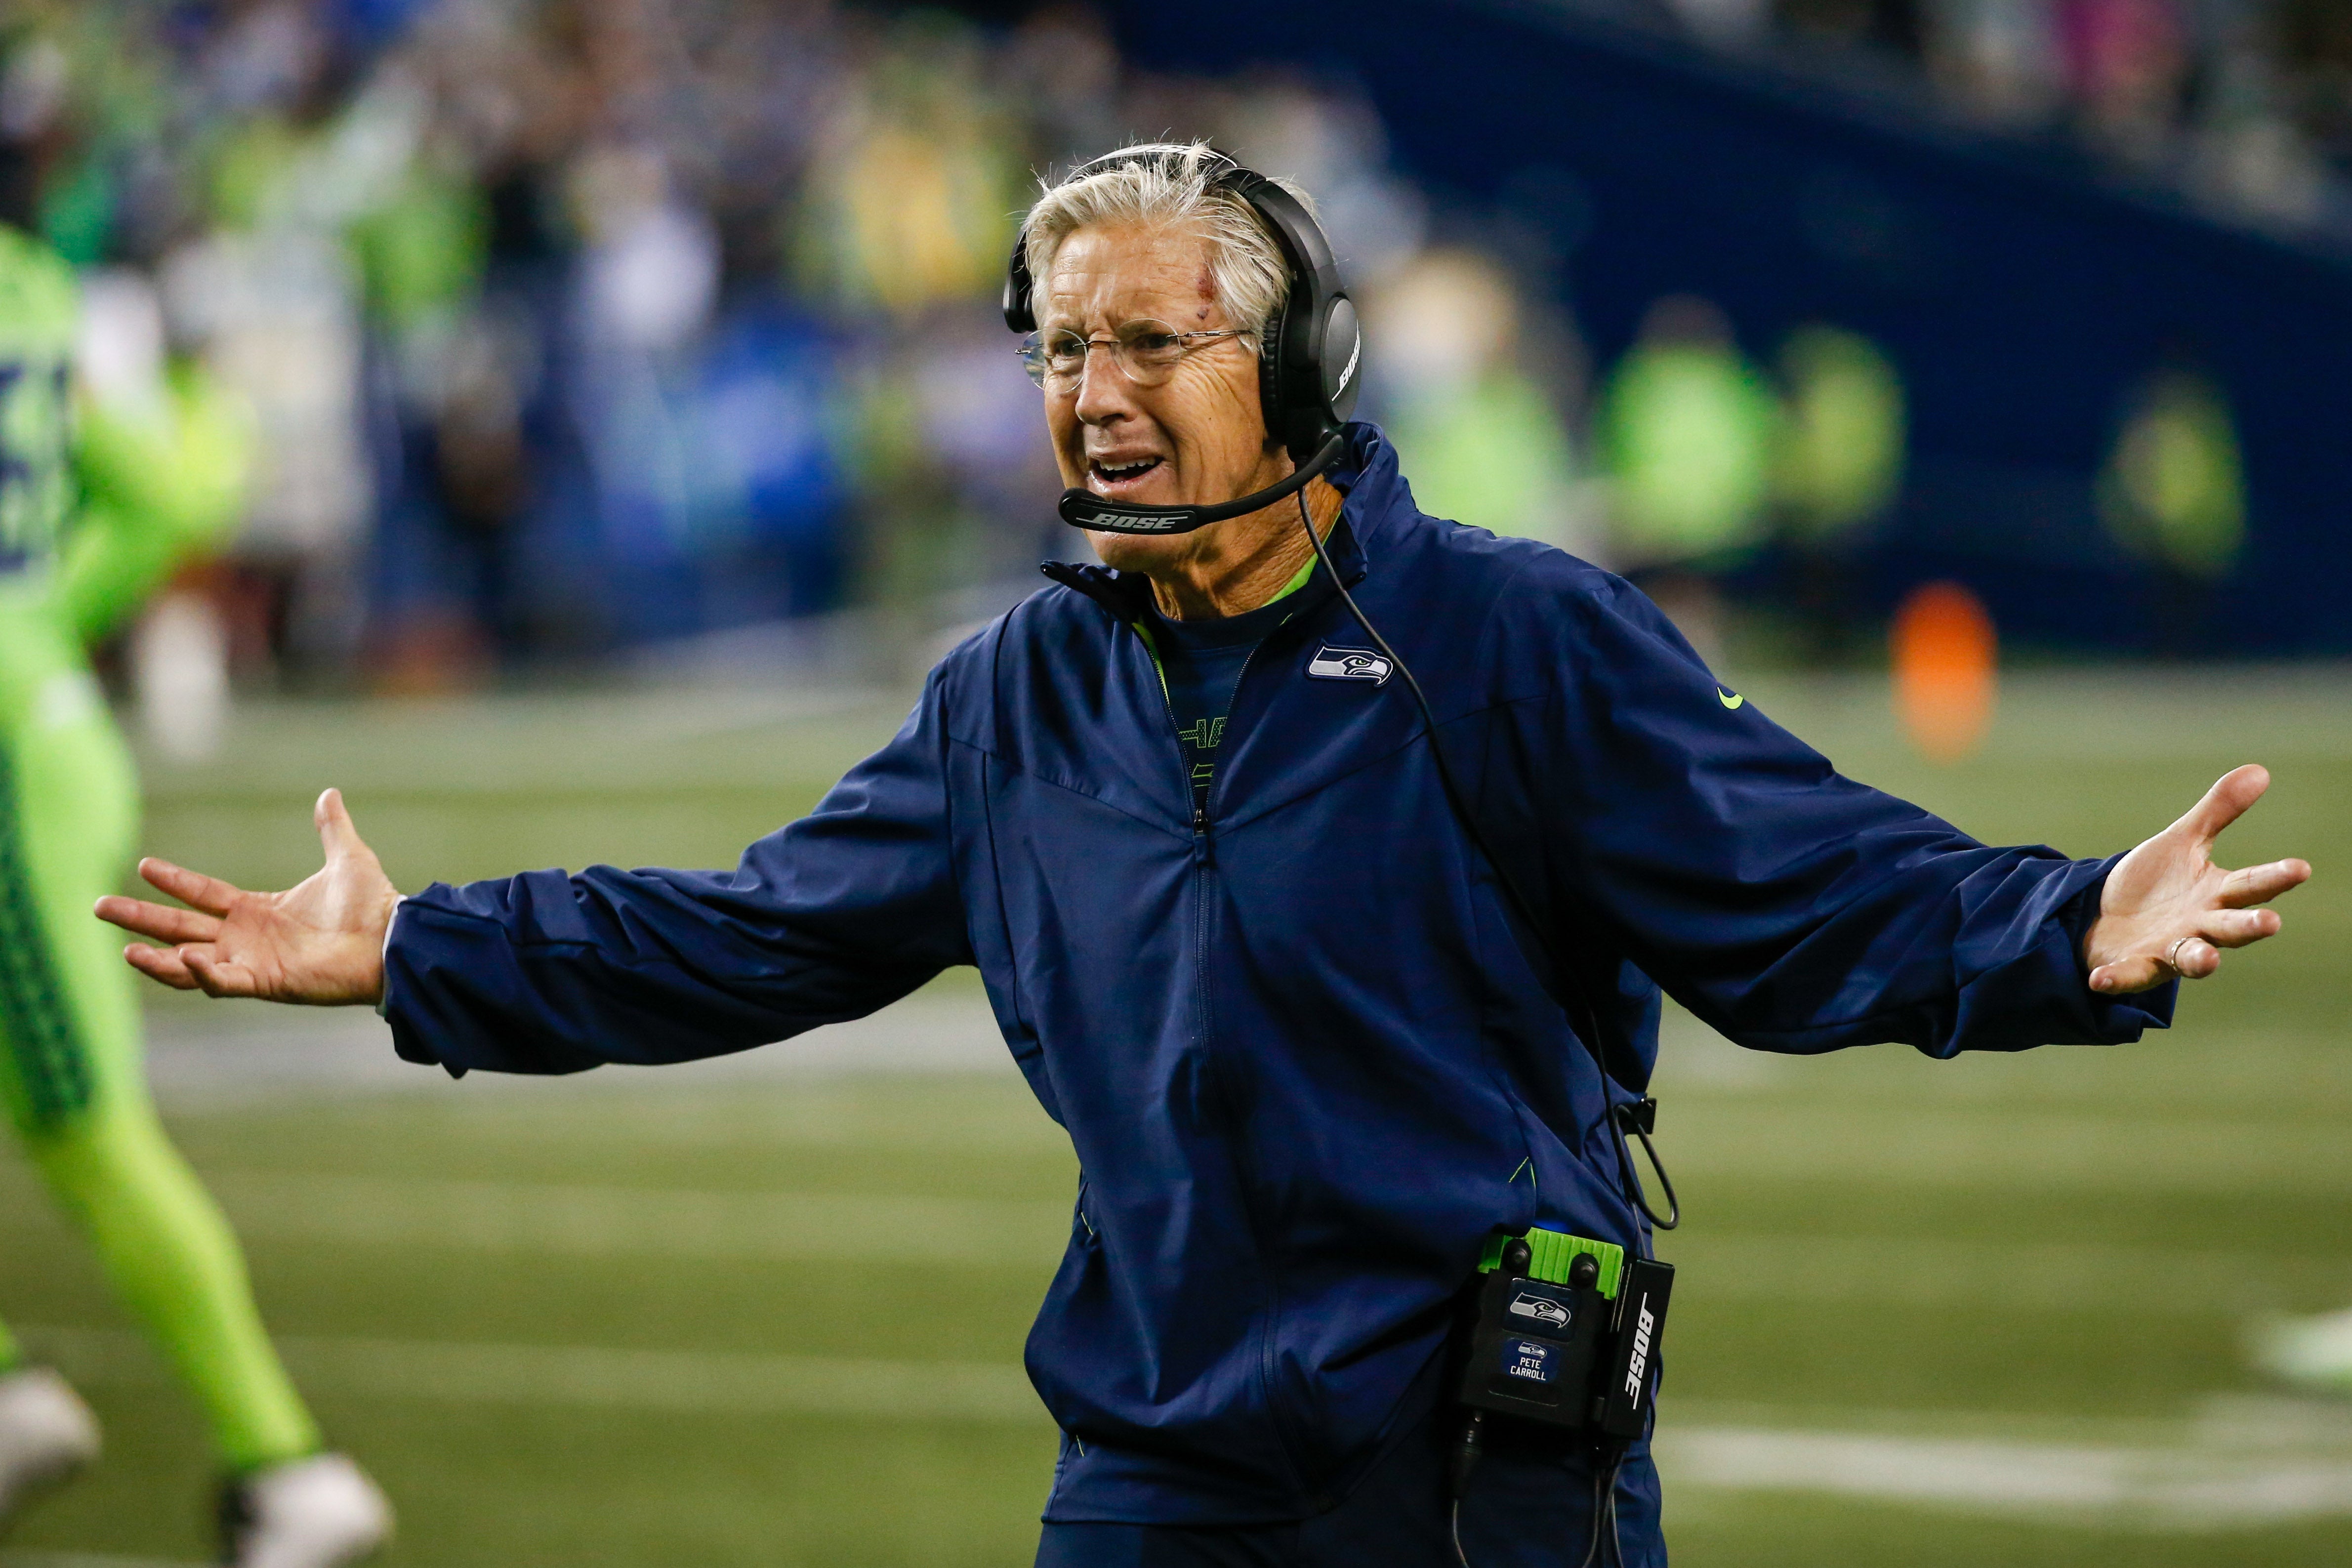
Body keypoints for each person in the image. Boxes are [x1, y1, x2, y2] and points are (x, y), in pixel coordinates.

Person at [95, 144, 2308, 1568]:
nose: (1095, 392)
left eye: (1153, 338)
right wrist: (418, 951)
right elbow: (755, 934)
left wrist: (2065, 924)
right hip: (1153, 1464)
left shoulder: (1506, 637)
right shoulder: (1015, 697)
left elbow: (1802, 886)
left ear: (1303, 363)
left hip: (1479, 1468)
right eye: (1065, 349)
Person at [0, 232, 390, 1557]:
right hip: (40, 719)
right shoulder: (30, 282)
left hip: (7, 766)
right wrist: (38, 625)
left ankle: (285, 1463)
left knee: (84, 1127)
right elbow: (166, 498)